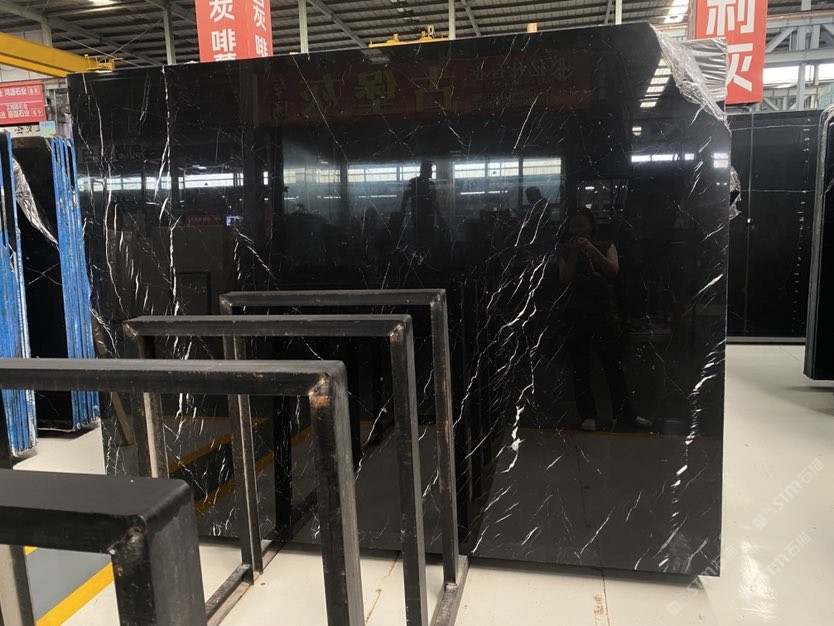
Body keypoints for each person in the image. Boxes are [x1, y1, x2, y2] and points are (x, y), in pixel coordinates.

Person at [557, 208, 652, 432]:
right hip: (577, 313)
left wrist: (591, 250)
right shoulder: (565, 250)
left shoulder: (606, 244)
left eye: (582, 224)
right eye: (573, 225)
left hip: (604, 313)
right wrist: (573, 253)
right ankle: (588, 414)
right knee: (581, 368)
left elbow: (612, 270)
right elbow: (564, 278)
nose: (578, 230)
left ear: (591, 226)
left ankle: (624, 414)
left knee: (613, 365)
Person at [400, 160, 445, 246]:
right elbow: (405, 198)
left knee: (424, 236)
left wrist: (402, 210)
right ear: (424, 170)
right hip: (421, 215)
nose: (431, 172)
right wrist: (439, 215)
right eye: (430, 170)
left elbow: (434, 201)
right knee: (422, 236)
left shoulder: (417, 182)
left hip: (423, 215)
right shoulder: (415, 182)